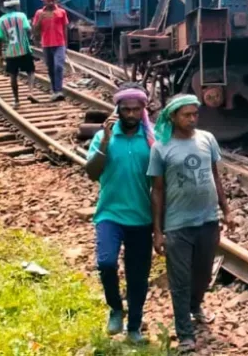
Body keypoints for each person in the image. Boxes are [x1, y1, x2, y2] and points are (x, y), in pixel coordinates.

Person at [148, 95, 234, 353]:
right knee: (180, 281)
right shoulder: (161, 147)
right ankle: (185, 333)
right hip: (178, 225)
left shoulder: (207, 139)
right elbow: (157, 190)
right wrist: (158, 231)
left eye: (195, 114)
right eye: (187, 115)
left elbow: (215, 177)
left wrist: (226, 210)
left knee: (204, 274)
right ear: (173, 117)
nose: (193, 119)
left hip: (208, 220)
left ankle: (195, 306)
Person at [86, 84, 156, 344]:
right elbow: (92, 173)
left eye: (136, 109)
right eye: (126, 109)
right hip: (110, 214)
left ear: (143, 110)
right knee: (106, 263)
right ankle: (116, 308)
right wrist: (105, 140)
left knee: (138, 276)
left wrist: (160, 224)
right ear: (117, 110)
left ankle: (134, 326)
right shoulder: (103, 137)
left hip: (142, 217)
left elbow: (161, 183)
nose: (131, 114)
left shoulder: (151, 139)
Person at [0, 0, 39, 106]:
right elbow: (28, 29)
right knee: (30, 71)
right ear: (15, 6)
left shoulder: (0, 21)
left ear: (5, 8)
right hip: (24, 49)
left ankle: (16, 100)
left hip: (10, 52)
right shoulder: (21, 16)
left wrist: (0, 55)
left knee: (13, 76)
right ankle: (30, 92)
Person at [32, 0, 68, 101]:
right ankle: (54, 90)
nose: (51, 3)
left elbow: (65, 28)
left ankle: (59, 90)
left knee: (58, 66)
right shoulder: (39, 13)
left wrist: (66, 44)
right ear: (43, 2)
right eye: (48, 1)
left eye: (53, 1)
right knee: (51, 68)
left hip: (59, 44)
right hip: (47, 44)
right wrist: (40, 19)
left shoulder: (61, 12)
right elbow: (35, 30)